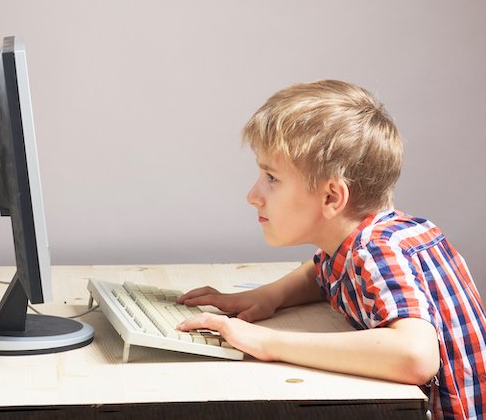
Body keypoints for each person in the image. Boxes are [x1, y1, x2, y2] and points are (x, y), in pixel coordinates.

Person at [175, 80, 484, 420]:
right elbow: (322, 271)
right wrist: (270, 296)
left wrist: (267, 342)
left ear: (332, 198)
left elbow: (415, 356)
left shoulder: (377, 251)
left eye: (271, 177)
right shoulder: (378, 236)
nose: (254, 194)